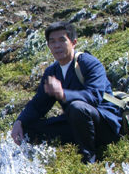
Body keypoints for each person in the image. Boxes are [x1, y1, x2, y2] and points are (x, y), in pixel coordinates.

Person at [11, 21, 122, 163]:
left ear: (73, 42)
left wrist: (63, 93)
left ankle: (89, 161)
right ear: (49, 46)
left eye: (62, 40)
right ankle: (55, 156)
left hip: (103, 125)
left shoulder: (89, 63)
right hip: (75, 125)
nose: (57, 45)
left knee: (77, 107)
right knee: (28, 128)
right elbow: (38, 105)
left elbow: (94, 97)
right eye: (52, 42)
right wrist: (19, 122)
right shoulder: (52, 71)